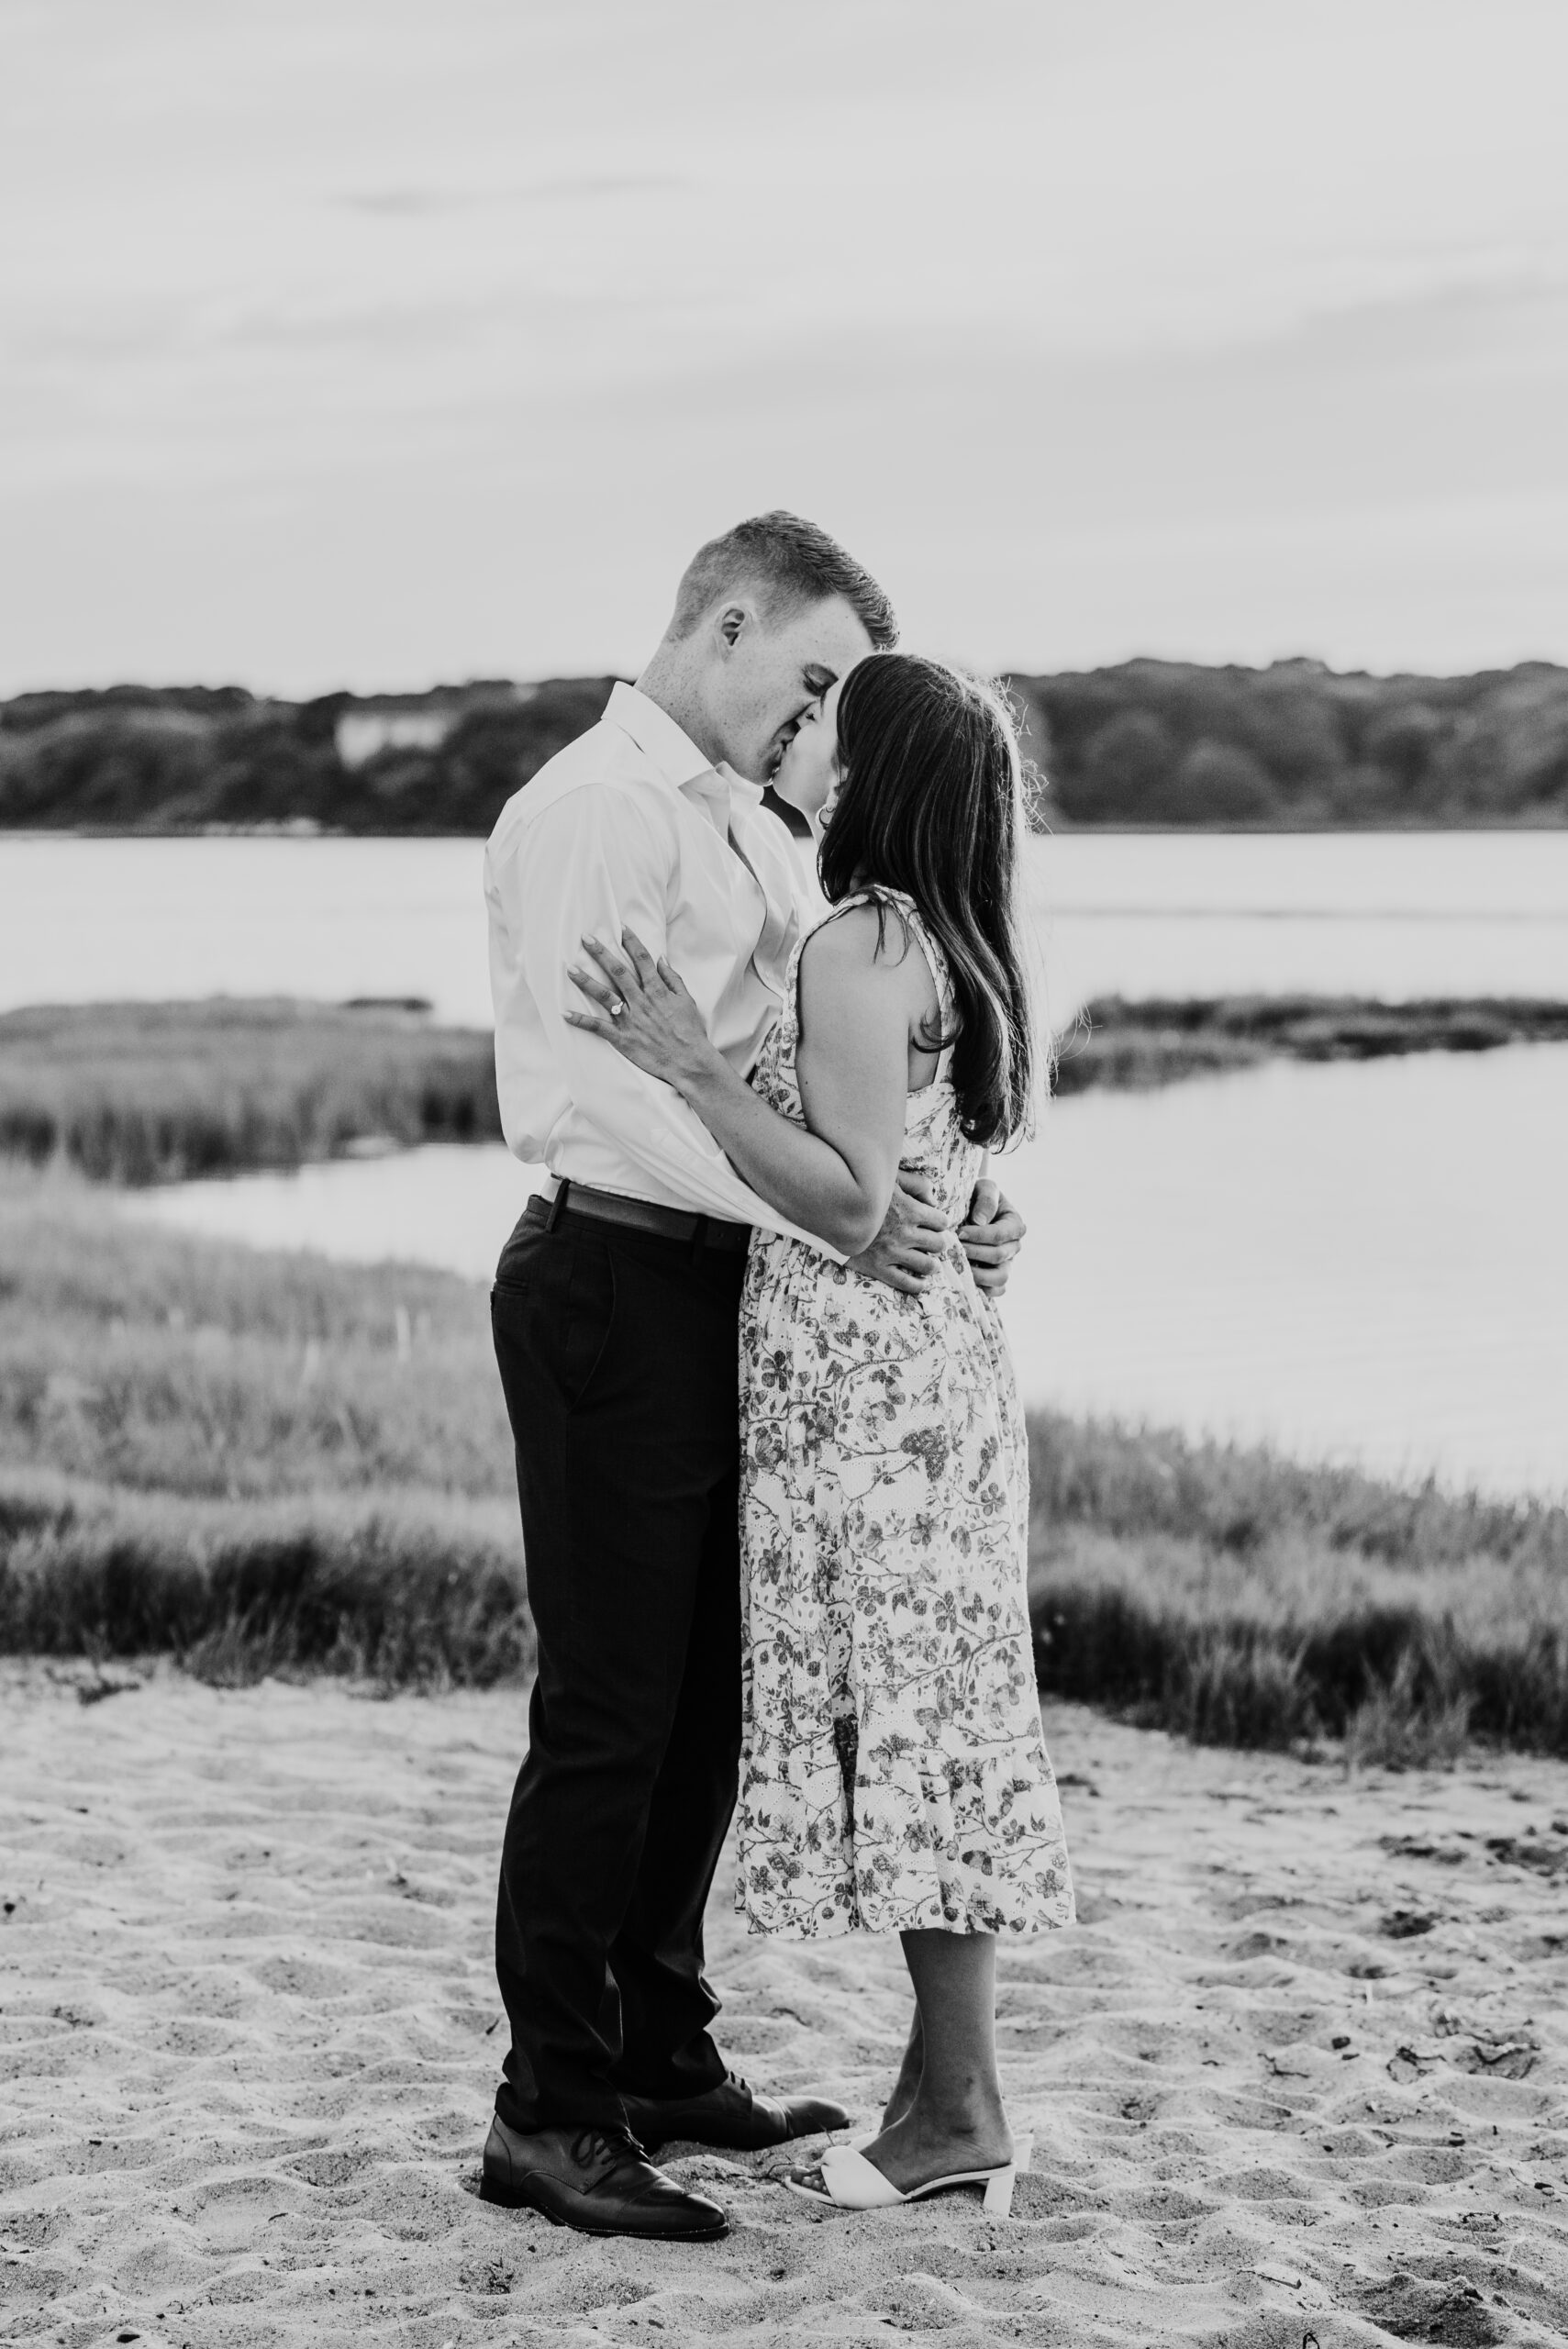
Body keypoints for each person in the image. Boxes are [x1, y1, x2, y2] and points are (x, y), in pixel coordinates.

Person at [480, 515, 1029, 2240]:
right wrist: (861, 1223)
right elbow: (624, 1087)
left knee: (703, 1710)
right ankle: (551, 2109)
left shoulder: (764, 836)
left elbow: (839, 1092)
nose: (817, 722)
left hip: (731, 1292)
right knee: (607, 1715)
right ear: (726, 625)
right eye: (809, 678)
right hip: (612, 1273)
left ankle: (658, 2056)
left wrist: (928, 1196)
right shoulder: (594, 812)